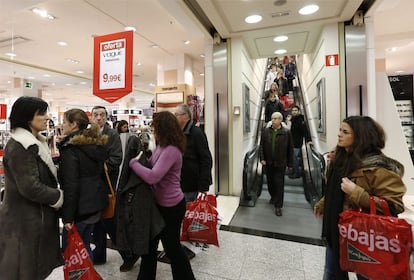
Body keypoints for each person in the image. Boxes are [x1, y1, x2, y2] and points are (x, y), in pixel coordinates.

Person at [314, 116, 406, 280]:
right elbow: (335, 191)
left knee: (366, 276)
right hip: (336, 231)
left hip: (364, 236)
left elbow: (394, 206)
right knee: (331, 274)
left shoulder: (379, 168)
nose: (339, 135)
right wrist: (324, 203)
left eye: (345, 132)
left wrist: (357, 192)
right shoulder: (338, 160)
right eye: (340, 130)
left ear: (360, 136)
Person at [0, 96, 64, 279]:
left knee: (35, 268)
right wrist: (59, 197)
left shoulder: (37, 143)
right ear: (28, 117)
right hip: (24, 223)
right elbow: (30, 187)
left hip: (35, 219)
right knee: (24, 270)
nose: (47, 117)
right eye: (41, 113)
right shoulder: (21, 146)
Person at [129, 111, 196, 280]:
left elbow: (153, 176)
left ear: (163, 128)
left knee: (172, 247)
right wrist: (144, 158)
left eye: (155, 127)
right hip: (158, 204)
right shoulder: (162, 146)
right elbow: (152, 165)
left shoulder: (172, 150)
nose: (153, 130)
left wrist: (133, 164)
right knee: (150, 246)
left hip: (171, 207)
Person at [90, 106, 138, 271]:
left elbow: (116, 159)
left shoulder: (112, 135)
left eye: (102, 115)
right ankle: (99, 254)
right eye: (95, 114)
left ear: (106, 117)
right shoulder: (88, 134)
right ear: (91, 117)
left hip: (106, 184)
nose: (98, 118)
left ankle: (128, 255)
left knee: (110, 221)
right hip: (92, 186)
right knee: (96, 222)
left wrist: (95, 168)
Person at [58, 109, 108, 260]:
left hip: (80, 207)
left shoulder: (70, 149)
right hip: (95, 203)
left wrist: (67, 217)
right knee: (84, 247)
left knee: (74, 252)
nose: (62, 125)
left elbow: (71, 185)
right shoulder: (94, 144)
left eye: (65, 122)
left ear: (74, 125)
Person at [175, 104, 213, 202]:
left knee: (189, 213)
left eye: (176, 115)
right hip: (181, 183)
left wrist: (204, 185)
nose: (174, 118)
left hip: (191, 184)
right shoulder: (180, 133)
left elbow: (206, 159)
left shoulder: (196, 133)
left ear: (185, 116)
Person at [260, 111, 293, 216]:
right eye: (272, 118)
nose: (273, 120)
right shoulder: (265, 131)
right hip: (268, 162)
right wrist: (262, 158)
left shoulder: (286, 132)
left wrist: (290, 163)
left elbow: (290, 149)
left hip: (280, 163)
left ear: (280, 120)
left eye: (275, 118)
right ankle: (273, 196)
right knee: (270, 183)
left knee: (279, 184)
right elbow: (261, 146)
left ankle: (278, 206)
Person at [286, 106, 311, 178]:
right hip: (291, 142)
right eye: (293, 110)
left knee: (295, 158)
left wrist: (308, 140)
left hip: (297, 142)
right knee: (293, 157)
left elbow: (305, 131)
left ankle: (296, 173)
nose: (294, 112)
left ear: (299, 111)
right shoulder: (292, 119)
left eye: (295, 110)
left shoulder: (301, 120)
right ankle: (293, 171)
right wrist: (288, 121)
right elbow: (288, 130)